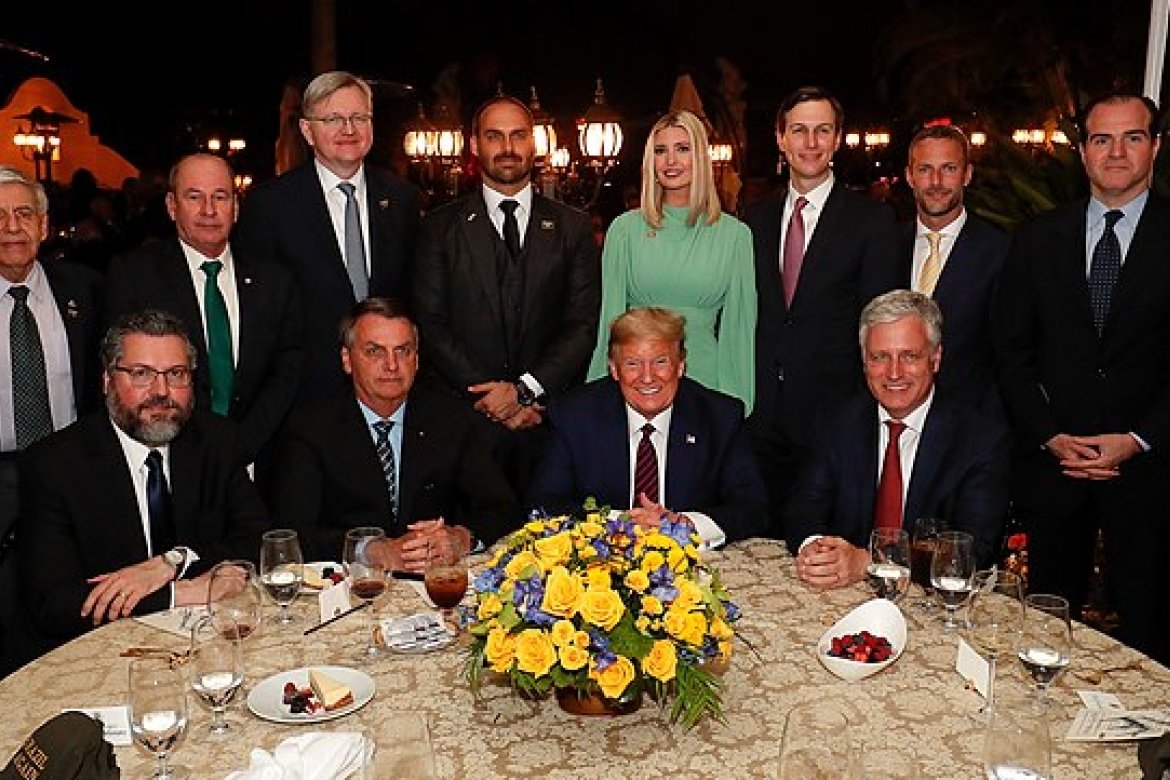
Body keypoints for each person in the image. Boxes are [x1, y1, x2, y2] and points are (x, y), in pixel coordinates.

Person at [993, 91, 1170, 666]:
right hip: (1054, 471)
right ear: (1083, 152)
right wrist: (1048, 434)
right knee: (1046, 637)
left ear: (1156, 147)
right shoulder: (1038, 238)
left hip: (1150, 477)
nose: (1116, 152)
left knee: (1150, 638)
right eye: (1101, 139)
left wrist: (1137, 439)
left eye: (1132, 137)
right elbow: (1010, 351)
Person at [7, 310, 268, 666]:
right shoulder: (55, 465)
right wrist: (183, 592)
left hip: (208, 648)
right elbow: (53, 604)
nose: (161, 392)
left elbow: (257, 540)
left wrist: (173, 560)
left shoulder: (217, 441)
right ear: (107, 381)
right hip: (98, 658)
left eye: (176, 374)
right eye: (142, 374)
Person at [412, 95, 600, 499]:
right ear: (475, 145)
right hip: (467, 425)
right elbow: (430, 325)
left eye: (518, 135)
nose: (508, 147)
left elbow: (583, 325)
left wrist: (524, 391)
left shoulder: (573, 227)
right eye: (494, 136)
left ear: (535, 144)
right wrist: (491, 396)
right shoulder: (439, 228)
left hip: (548, 424)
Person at [743, 85, 901, 537]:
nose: (810, 143)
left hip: (833, 421)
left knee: (823, 552)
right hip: (760, 421)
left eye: (822, 131)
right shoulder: (751, 219)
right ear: (780, 139)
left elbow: (878, 325)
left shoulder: (871, 222)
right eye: (799, 131)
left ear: (836, 140)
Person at [260, 297, 518, 570]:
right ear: (347, 360)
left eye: (403, 351)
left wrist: (460, 539)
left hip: (435, 583)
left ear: (417, 360)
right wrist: (372, 551)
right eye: (375, 352)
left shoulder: (451, 420)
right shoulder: (310, 429)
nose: (392, 365)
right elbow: (291, 534)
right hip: (351, 589)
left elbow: (503, 509)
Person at [786, 290, 1010, 589]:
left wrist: (869, 563)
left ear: (936, 358)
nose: (894, 373)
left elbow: (971, 551)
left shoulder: (981, 439)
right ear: (864, 361)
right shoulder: (836, 421)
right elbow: (804, 506)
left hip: (937, 603)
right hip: (844, 595)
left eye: (909, 356)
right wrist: (817, 548)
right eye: (880, 357)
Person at [104, 153, 303, 467]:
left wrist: (243, 443)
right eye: (194, 197)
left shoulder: (275, 281)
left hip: (256, 460)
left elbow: (287, 368)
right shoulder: (134, 276)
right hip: (168, 457)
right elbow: (124, 373)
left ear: (235, 208)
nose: (209, 210)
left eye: (220, 197)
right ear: (172, 206)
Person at [234, 70, 421, 403]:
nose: (348, 130)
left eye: (358, 118)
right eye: (333, 119)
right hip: (305, 396)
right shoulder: (271, 205)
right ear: (307, 130)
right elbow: (260, 314)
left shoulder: (402, 199)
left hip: (390, 392)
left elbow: (411, 293)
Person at [528, 307, 768, 547]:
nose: (647, 377)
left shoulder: (720, 417)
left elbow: (752, 507)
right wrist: (617, 522)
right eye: (633, 364)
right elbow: (544, 501)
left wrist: (685, 524)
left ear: (681, 365)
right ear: (614, 368)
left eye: (660, 362)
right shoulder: (574, 415)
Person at [0, 166, 104, 676]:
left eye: (23, 214)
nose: (11, 227)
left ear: (44, 225)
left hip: (70, 474)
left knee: (70, 610)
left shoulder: (85, 290)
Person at [586, 110, 756, 412]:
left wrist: (738, 403)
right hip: (637, 381)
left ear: (701, 158)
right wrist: (599, 395)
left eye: (683, 149)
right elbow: (609, 323)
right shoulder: (624, 231)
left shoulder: (734, 236)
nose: (671, 161)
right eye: (661, 151)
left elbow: (739, 330)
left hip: (708, 382)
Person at [902, 124, 1008, 413]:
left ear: (967, 175)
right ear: (909, 176)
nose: (936, 182)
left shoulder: (1001, 253)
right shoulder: (884, 246)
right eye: (925, 169)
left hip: (971, 423)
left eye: (948, 168)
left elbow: (1011, 356)